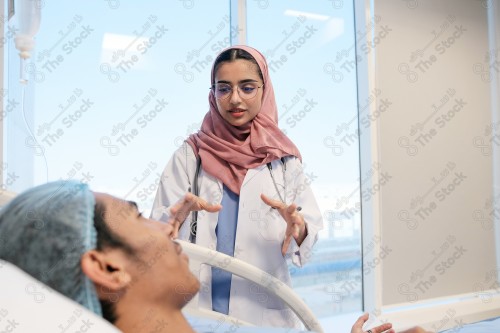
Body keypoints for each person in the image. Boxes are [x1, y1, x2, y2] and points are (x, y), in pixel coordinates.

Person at [0, 180, 401, 333]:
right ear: (107, 267)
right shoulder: (188, 155)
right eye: (138, 216)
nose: (165, 227)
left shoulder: (285, 159)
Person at [150, 44, 324, 328]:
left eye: (247, 87)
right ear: (212, 93)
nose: (235, 99)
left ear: (264, 90)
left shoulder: (283, 161)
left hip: (264, 312)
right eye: (223, 88)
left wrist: (299, 227)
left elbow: (307, 237)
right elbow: (157, 234)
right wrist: (170, 221)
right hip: (196, 309)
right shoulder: (188, 155)